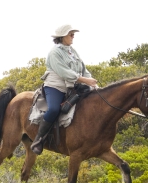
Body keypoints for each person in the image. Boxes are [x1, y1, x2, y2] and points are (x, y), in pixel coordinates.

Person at [31, 25, 98, 155]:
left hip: (73, 85)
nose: (73, 36)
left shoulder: (72, 51)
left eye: (73, 34)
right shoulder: (54, 52)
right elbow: (64, 72)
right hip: (56, 86)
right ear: (62, 37)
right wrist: (84, 80)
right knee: (54, 109)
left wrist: (92, 83)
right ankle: (38, 140)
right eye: (70, 34)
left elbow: (83, 69)